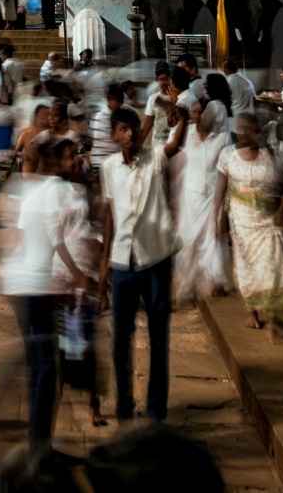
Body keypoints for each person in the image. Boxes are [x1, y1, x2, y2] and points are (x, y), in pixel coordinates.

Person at [0, 135, 97, 444]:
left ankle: (37, 443)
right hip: (35, 286)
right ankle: (39, 449)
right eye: (71, 156)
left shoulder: (32, 191)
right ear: (56, 163)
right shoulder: (59, 191)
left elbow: (19, 238)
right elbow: (57, 238)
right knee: (46, 372)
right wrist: (78, 275)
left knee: (38, 366)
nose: (77, 160)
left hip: (24, 285)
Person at [98, 102, 187, 422]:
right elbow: (109, 213)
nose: (131, 133)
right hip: (123, 259)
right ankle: (124, 403)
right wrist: (104, 260)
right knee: (121, 338)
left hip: (156, 257)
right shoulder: (108, 167)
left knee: (158, 337)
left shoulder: (154, 158)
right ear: (113, 136)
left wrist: (184, 117)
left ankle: (155, 411)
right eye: (123, 129)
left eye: (134, 127)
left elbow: (175, 145)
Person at [214, 112, 283, 331]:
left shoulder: (274, 157)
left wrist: (282, 208)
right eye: (240, 128)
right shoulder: (227, 155)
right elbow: (220, 189)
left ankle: (271, 307)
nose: (243, 133)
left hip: (267, 220)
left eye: (249, 129)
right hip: (240, 221)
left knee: (270, 265)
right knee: (246, 264)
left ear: (260, 133)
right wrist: (217, 217)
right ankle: (252, 310)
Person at [173, 73, 232, 303]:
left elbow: (226, 171)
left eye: (202, 112)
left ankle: (216, 278)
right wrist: (174, 198)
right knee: (187, 237)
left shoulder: (223, 139)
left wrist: (225, 201)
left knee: (214, 236)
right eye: (195, 113)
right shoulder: (186, 136)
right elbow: (179, 165)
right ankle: (185, 279)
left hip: (213, 194)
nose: (198, 116)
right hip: (190, 193)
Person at [89, 83, 125, 172]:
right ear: (108, 99)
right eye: (117, 101)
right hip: (106, 164)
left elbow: (91, 138)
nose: (120, 104)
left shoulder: (96, 116)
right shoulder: (111, 118)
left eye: (121, 102)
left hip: (99, 162)